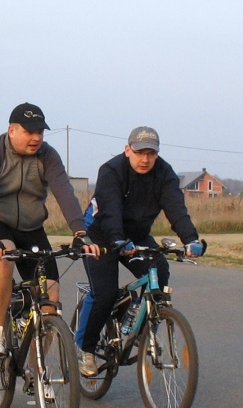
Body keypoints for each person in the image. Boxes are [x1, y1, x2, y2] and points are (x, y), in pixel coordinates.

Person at [73, 126, 205, 376]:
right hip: (101, 234)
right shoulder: (111, 171)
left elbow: (176, 209)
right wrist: (118, 240)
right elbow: (110, 210)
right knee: (105, 293)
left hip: (137, 234)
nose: (145, 159)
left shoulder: (165, 174)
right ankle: (85, 348)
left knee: (159, 271)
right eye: (139, 152)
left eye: (151, 154)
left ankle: (145, 332)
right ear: (127, 150)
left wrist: (191, 239)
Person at [0, 102, 100, 356]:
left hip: (31, 227)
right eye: (29, 132)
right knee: (4, 258)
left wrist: (80, 232)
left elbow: (64, 192)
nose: (36, 138)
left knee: (50, 298)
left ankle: (35, 370)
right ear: (11, 130)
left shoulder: (47, 155)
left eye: (40, 132)